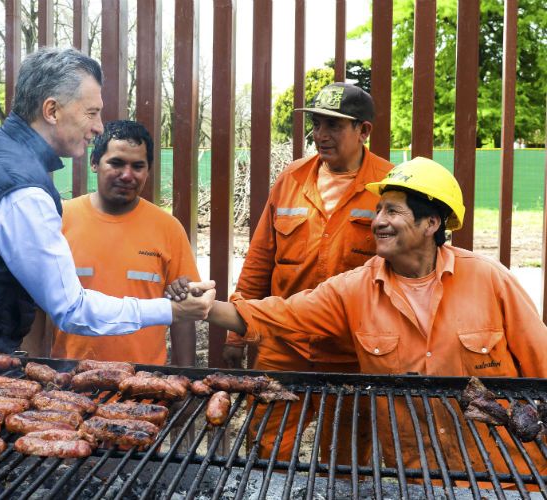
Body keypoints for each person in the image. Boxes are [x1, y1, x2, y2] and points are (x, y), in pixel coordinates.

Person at [194, 157, 547, 482]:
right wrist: (207, 309)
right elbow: (282, 316)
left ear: (431, 223)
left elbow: (541, 360)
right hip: (420, 477)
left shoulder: (489, 279)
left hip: (507, 471)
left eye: (392, 211)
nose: (378, 221)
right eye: (378, 211)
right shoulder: (355, 289)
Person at [0, 47, 213, 353]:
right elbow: (70, 309)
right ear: (52, 111)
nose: (98, 127)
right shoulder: (23, 190)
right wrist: (170, 310)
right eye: (91, 112)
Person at [225, 83, 392, 461]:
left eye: (333, 125)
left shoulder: (390, 185)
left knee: (346, 458)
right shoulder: (292, 180)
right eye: (316, 124)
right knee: (267, 450)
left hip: (352, 352)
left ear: (364, 131)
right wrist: (236, 337)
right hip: (285, 344)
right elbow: (259, 262)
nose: (320, 135)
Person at [51, 120, 200, 365]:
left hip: (145, 388)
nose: (127, 175)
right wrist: (34, 366)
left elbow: (184, 313)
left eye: (138, 166)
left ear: (148, 170)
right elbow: (36, 307)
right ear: (94, 163)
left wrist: (185, 379)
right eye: (117, 163)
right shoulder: (61, 220)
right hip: (69, 386)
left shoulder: (168, 228)